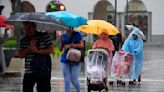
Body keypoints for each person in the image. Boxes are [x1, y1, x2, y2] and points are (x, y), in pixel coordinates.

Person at [16, 22, 52, 92]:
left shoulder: (44, 36)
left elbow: (51, 49)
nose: (27, 30)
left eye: (29, 28)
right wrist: (29, 47)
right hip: (29, 70)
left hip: (42, 69)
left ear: (34, 27)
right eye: (25, 29)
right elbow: (20, 55)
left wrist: (37, 51)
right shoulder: (23, 39)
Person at [59, 27, 84, 92]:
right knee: (66, 80)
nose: (67, 28)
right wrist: (61, 41)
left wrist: (71, 45)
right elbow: (60, 49)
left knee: (74, 80)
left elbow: (82, 45)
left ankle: (78, 90)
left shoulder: (77, 34)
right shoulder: (63, 36)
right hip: (65, 59)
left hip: (75, 59)